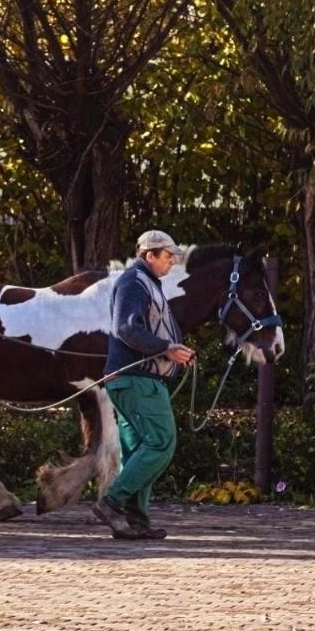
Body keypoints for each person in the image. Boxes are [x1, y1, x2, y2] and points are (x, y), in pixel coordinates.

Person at [92, 230, 196, 541]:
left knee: (140, 448)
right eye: (167, 255)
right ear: (149, 256)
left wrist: (171, 351)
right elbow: (126, 327)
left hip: (133, 379)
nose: (172, 261)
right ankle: (112, 502)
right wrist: (166, 348)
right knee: (161, 442)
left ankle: (135, 521)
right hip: (138, 380)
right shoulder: (134, 282)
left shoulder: (143, 283)